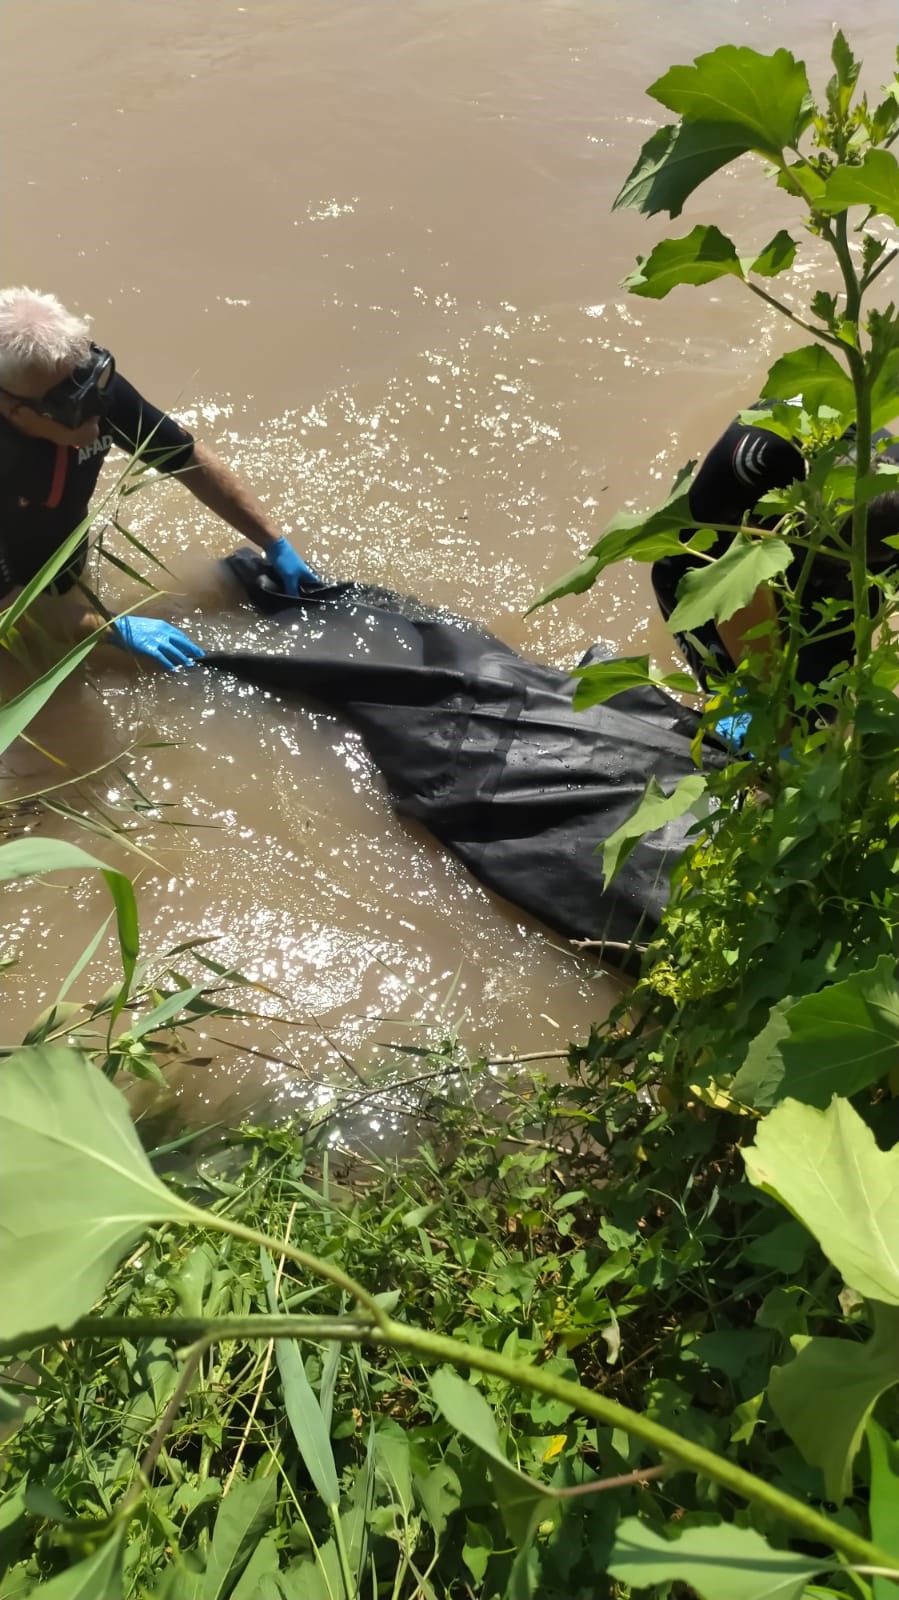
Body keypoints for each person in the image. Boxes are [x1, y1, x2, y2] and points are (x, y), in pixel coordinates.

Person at [0, 286, 319, 669]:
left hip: (59, 560)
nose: (97, 412)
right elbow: (8, 611)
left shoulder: (88, 391)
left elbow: (188, 459)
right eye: (73, 408)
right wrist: (113, 628)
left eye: (91, 380)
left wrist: (274, 543)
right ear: (15, 410)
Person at [651, 410, 899, 699]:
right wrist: (754, 687)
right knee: (739, 692)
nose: (822, 580)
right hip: (771, 512)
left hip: (858, 546)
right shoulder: (751, 462)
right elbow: (674, 564)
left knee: (818, 695)